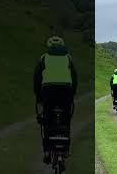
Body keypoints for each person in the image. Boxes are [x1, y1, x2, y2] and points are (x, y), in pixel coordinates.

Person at [34, 36, 77, 164]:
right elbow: (74, 78)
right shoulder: (68, 58)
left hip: (48, 91)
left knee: (47, 119)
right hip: (66, 91)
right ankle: (66, 150)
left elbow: (37, 80)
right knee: (66, 118)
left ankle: (47, 151)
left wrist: (38, 96)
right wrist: (72, 94)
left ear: (49, 47)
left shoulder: (43, 58)